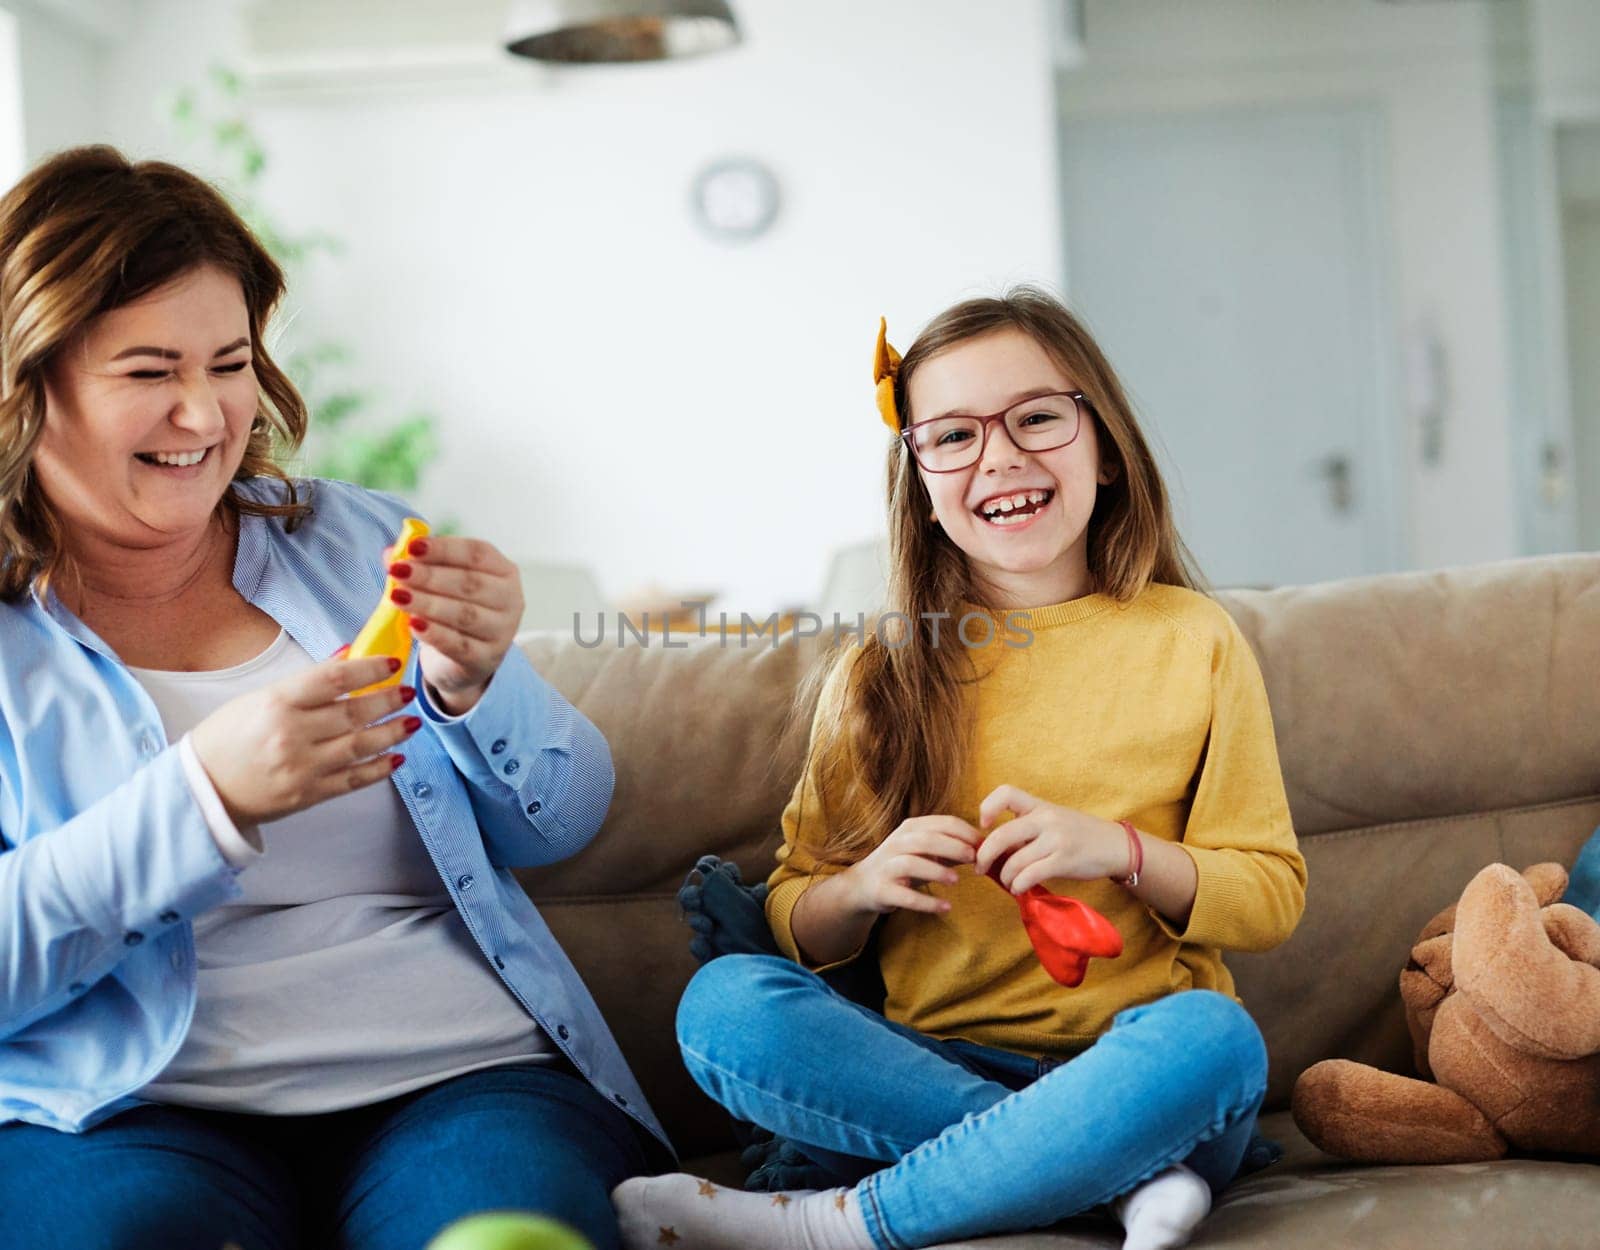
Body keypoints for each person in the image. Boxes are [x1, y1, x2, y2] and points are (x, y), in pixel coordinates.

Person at [0, 145, 668, 1250]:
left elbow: (564, 818)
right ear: (31, 381)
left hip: (459, 1080)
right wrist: (206, 796)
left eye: (228, 362)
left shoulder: (348, 538)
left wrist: (476, 683)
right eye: (148, 369)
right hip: (121, 1113)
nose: (204, 413)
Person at [613, 289, 1306, 1250]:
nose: (1002, 456)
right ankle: (1105, 1183)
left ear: (1103, 446)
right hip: (917, 1068)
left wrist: (1120, 850)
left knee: (1217, 1043)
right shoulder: (881, 671)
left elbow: (1270, 895)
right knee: (724, 1008)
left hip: (1136, 1068)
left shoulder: (1193, 639)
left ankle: (838, 1225)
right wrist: (860, 887)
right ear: (923, 484)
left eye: (1036, 417)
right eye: (954, 436)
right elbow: (793, 911)